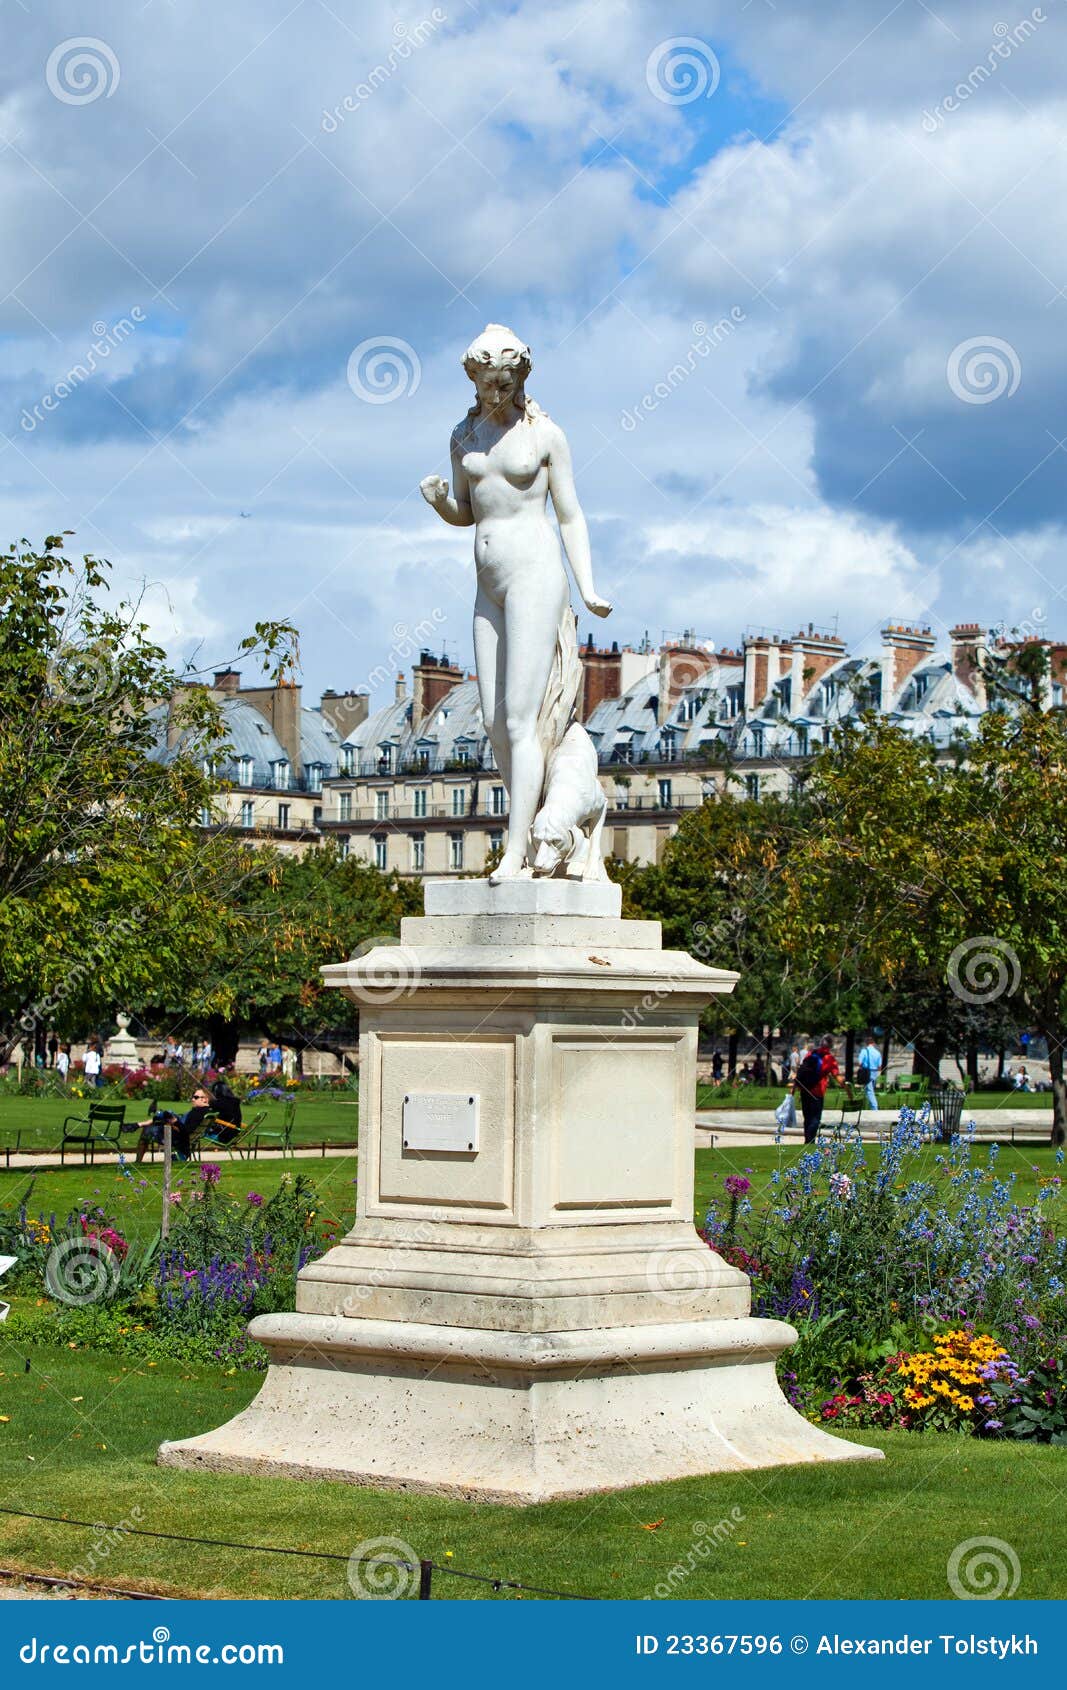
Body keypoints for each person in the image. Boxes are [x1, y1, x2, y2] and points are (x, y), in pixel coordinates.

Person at [420, 324, 612, 882]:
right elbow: (468, 510)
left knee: (522, 719)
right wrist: (439, 503)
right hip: (488, 583)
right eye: (487, 383)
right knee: (494, 722)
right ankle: (542, 824)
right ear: (474, 379)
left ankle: (517, 853)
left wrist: (588, 585)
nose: (496, 392)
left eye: (505, 382)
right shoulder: (463, 435)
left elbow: (570, 513)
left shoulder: (546, 435)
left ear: (519, 378)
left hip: (535, 574)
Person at [789, 1033, 852, 1145]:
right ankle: (810, 1142)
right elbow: (838, 1078)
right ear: (831, 1046)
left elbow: (801, 1071)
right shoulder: (830, 1059)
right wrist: (848, 1090)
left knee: (807, 1117)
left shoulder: (811, 1053)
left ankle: (807, 1140)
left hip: (804, 1090)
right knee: (815, 1119)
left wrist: (794, 1088)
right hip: (817, 1092)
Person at [133, 1085, 213, 1163]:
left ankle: (138, 1162)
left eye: (195, 1097)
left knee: (146, 1131)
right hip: (183, 1137)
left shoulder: (198, 1112)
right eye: (193, 1097)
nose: (192, 1099)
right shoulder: (205, 1111)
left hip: (177, 1139)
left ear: (205, 1099)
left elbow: (187, 1130)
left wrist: (175, 1122)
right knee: (165, 1115)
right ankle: (142, 1123)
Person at [206, 1079, 243, 1146]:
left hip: (224, 1137)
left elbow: (206, 1110)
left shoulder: (219, 1103)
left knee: (199, 1131)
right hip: (235, 1134)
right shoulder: (234, 1102)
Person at [856, 1031, 883, 1111]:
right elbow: (879, 1066)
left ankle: (874, 1108)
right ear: (873, 1043)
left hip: (867, 1072)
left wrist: (862, 1067)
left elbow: (860, 1062)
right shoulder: (877, 1052)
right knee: (871, 1090)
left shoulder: (864, 1051)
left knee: (869, 1091)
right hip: (875, 1072)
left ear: (866, 1043)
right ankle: (870, 1107)